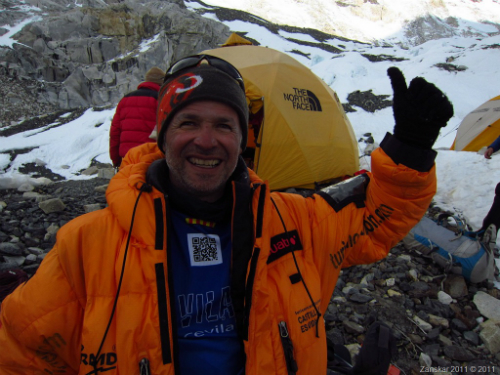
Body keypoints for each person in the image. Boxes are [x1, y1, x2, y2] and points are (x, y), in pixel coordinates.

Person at [0, 56, 453, 375]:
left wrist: (409, 150)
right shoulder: (86, 245)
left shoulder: (295, 223)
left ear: (243, 141)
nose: (206, 140)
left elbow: (375, 221)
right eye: (189, 123)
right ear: (163, 135)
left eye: (224, 126)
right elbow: (21, 355)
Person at [109, 66, 165, 168]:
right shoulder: (162, 100)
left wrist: (116, 161)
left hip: (127, 160)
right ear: (162, 83)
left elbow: (115, 133)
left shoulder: (125, 100)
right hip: (152, 161)